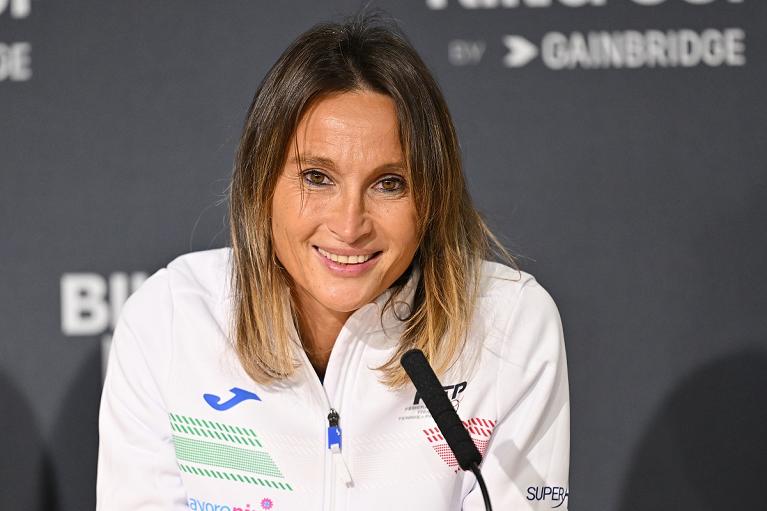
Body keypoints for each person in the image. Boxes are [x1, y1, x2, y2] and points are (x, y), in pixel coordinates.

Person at [96, 12, 569, 511]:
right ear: (262, 184)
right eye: (317, 177)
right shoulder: (170, 321)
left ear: (432, 198)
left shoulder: (508, 325)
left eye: (390, 183)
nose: (349, 225)